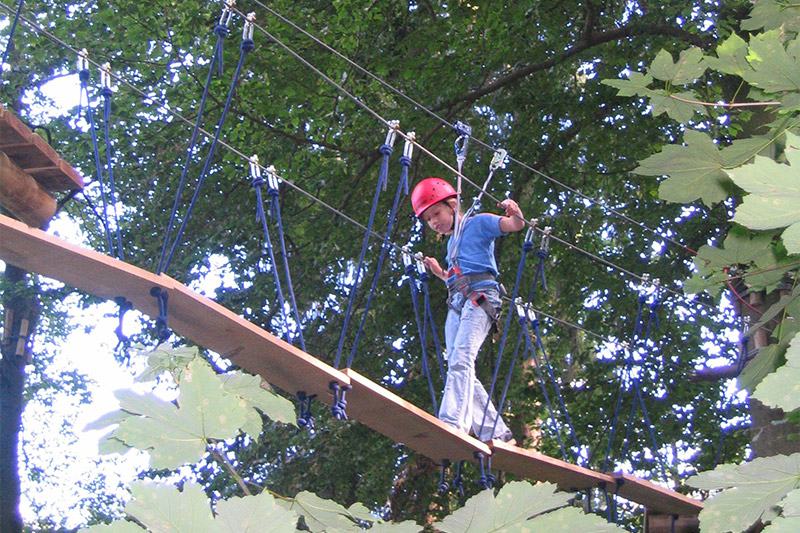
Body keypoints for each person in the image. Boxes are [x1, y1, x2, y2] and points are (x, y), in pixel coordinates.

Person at [410, 176, 525, 443]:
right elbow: (456, 276)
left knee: (462, 358)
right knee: (457, 363)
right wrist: (441, 274)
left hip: (481, 296)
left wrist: (515, 211)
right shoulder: (451, 244)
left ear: (452, 205)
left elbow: (514, 226)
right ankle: (496, 433)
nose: (434, 222)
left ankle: (452, 423)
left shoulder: (479, 223)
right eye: (428, 219)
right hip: (458, 302)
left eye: (436, 213)